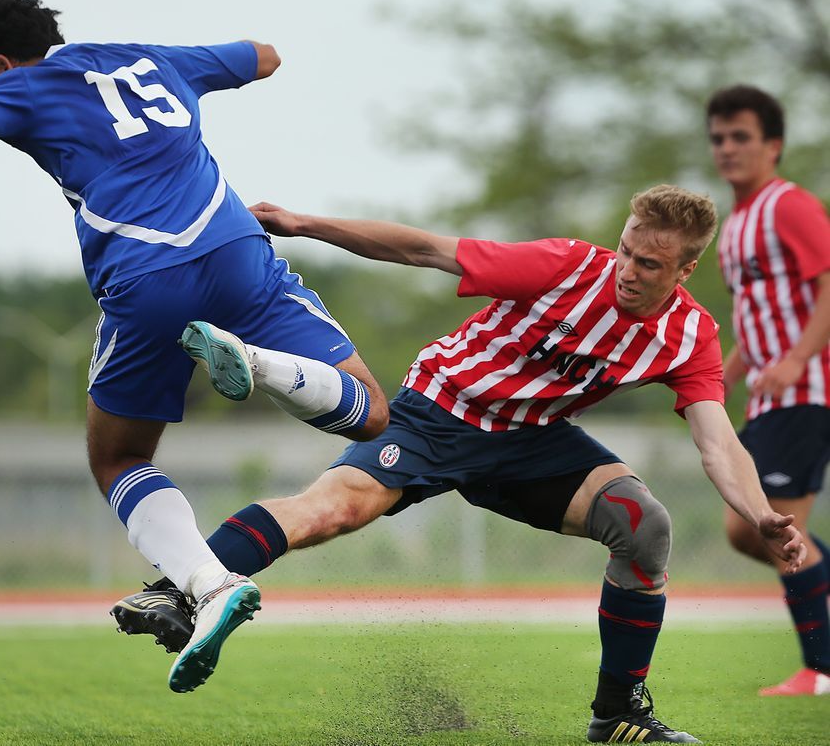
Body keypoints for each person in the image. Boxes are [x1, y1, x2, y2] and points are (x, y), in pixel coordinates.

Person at [0, 0, 388, 693]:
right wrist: (220, 67)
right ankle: (261, 365)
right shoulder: (148, 58)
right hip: (238, 252)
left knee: (118, 458)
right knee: (369, 412)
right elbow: (264, 56)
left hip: (148, 280)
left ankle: (209, 585)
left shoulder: (21, 86)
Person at [122, 185, 807, 742]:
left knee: (643, 525)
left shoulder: (691, 337)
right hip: (437, 411)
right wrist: (303, 223)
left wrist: (758, 512)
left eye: (649, 265)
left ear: (687, 270)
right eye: (626, 250)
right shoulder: (566, 266)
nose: (627, 271)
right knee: (330, 511)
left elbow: (717, 439)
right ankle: (177, 585)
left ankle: (619, 714)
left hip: (530, 442)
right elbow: (425, 250)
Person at [706, 84, 830, 697]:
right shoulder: (733, 227)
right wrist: (720, 378)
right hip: (767, 399)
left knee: (780, 532)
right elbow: (754, 320)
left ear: (772, 145)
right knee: (744, 529)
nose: (727, 148)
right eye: (719, 138)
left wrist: (800, 355)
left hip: (806, 391)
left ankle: (821, 671)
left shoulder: (789, 206)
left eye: (741, 137)